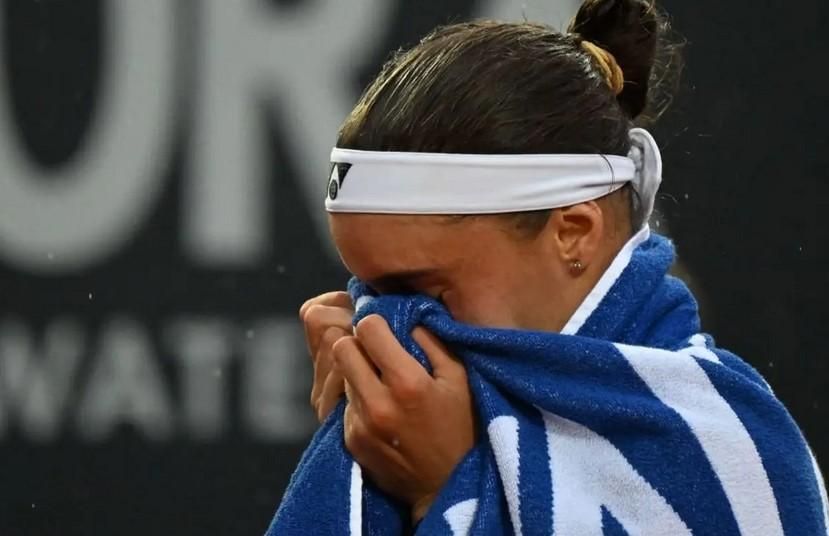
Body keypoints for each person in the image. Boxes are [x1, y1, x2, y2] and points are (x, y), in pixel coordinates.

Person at [271, 0, 828, 533]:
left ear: (572, 233)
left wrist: (441, 491)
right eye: (368, 291)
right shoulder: (377, 439)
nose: (383, 324)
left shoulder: (735, 454)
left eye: (428, 292)